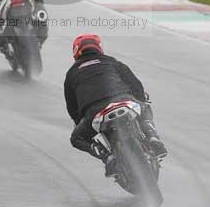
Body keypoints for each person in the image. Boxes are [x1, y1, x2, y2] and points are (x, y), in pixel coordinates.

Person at [64, 34, 167, 175]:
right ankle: (152, 136)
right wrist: (140, 99)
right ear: (98, 47)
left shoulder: (71, 73)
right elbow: (136, 85)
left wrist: (80, 122)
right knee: (144, 108)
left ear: (76, 51)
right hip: (123, 99)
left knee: (76, 138)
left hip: (95, 111)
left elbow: (72, 107)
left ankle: (107, 157)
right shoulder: (112, 62)